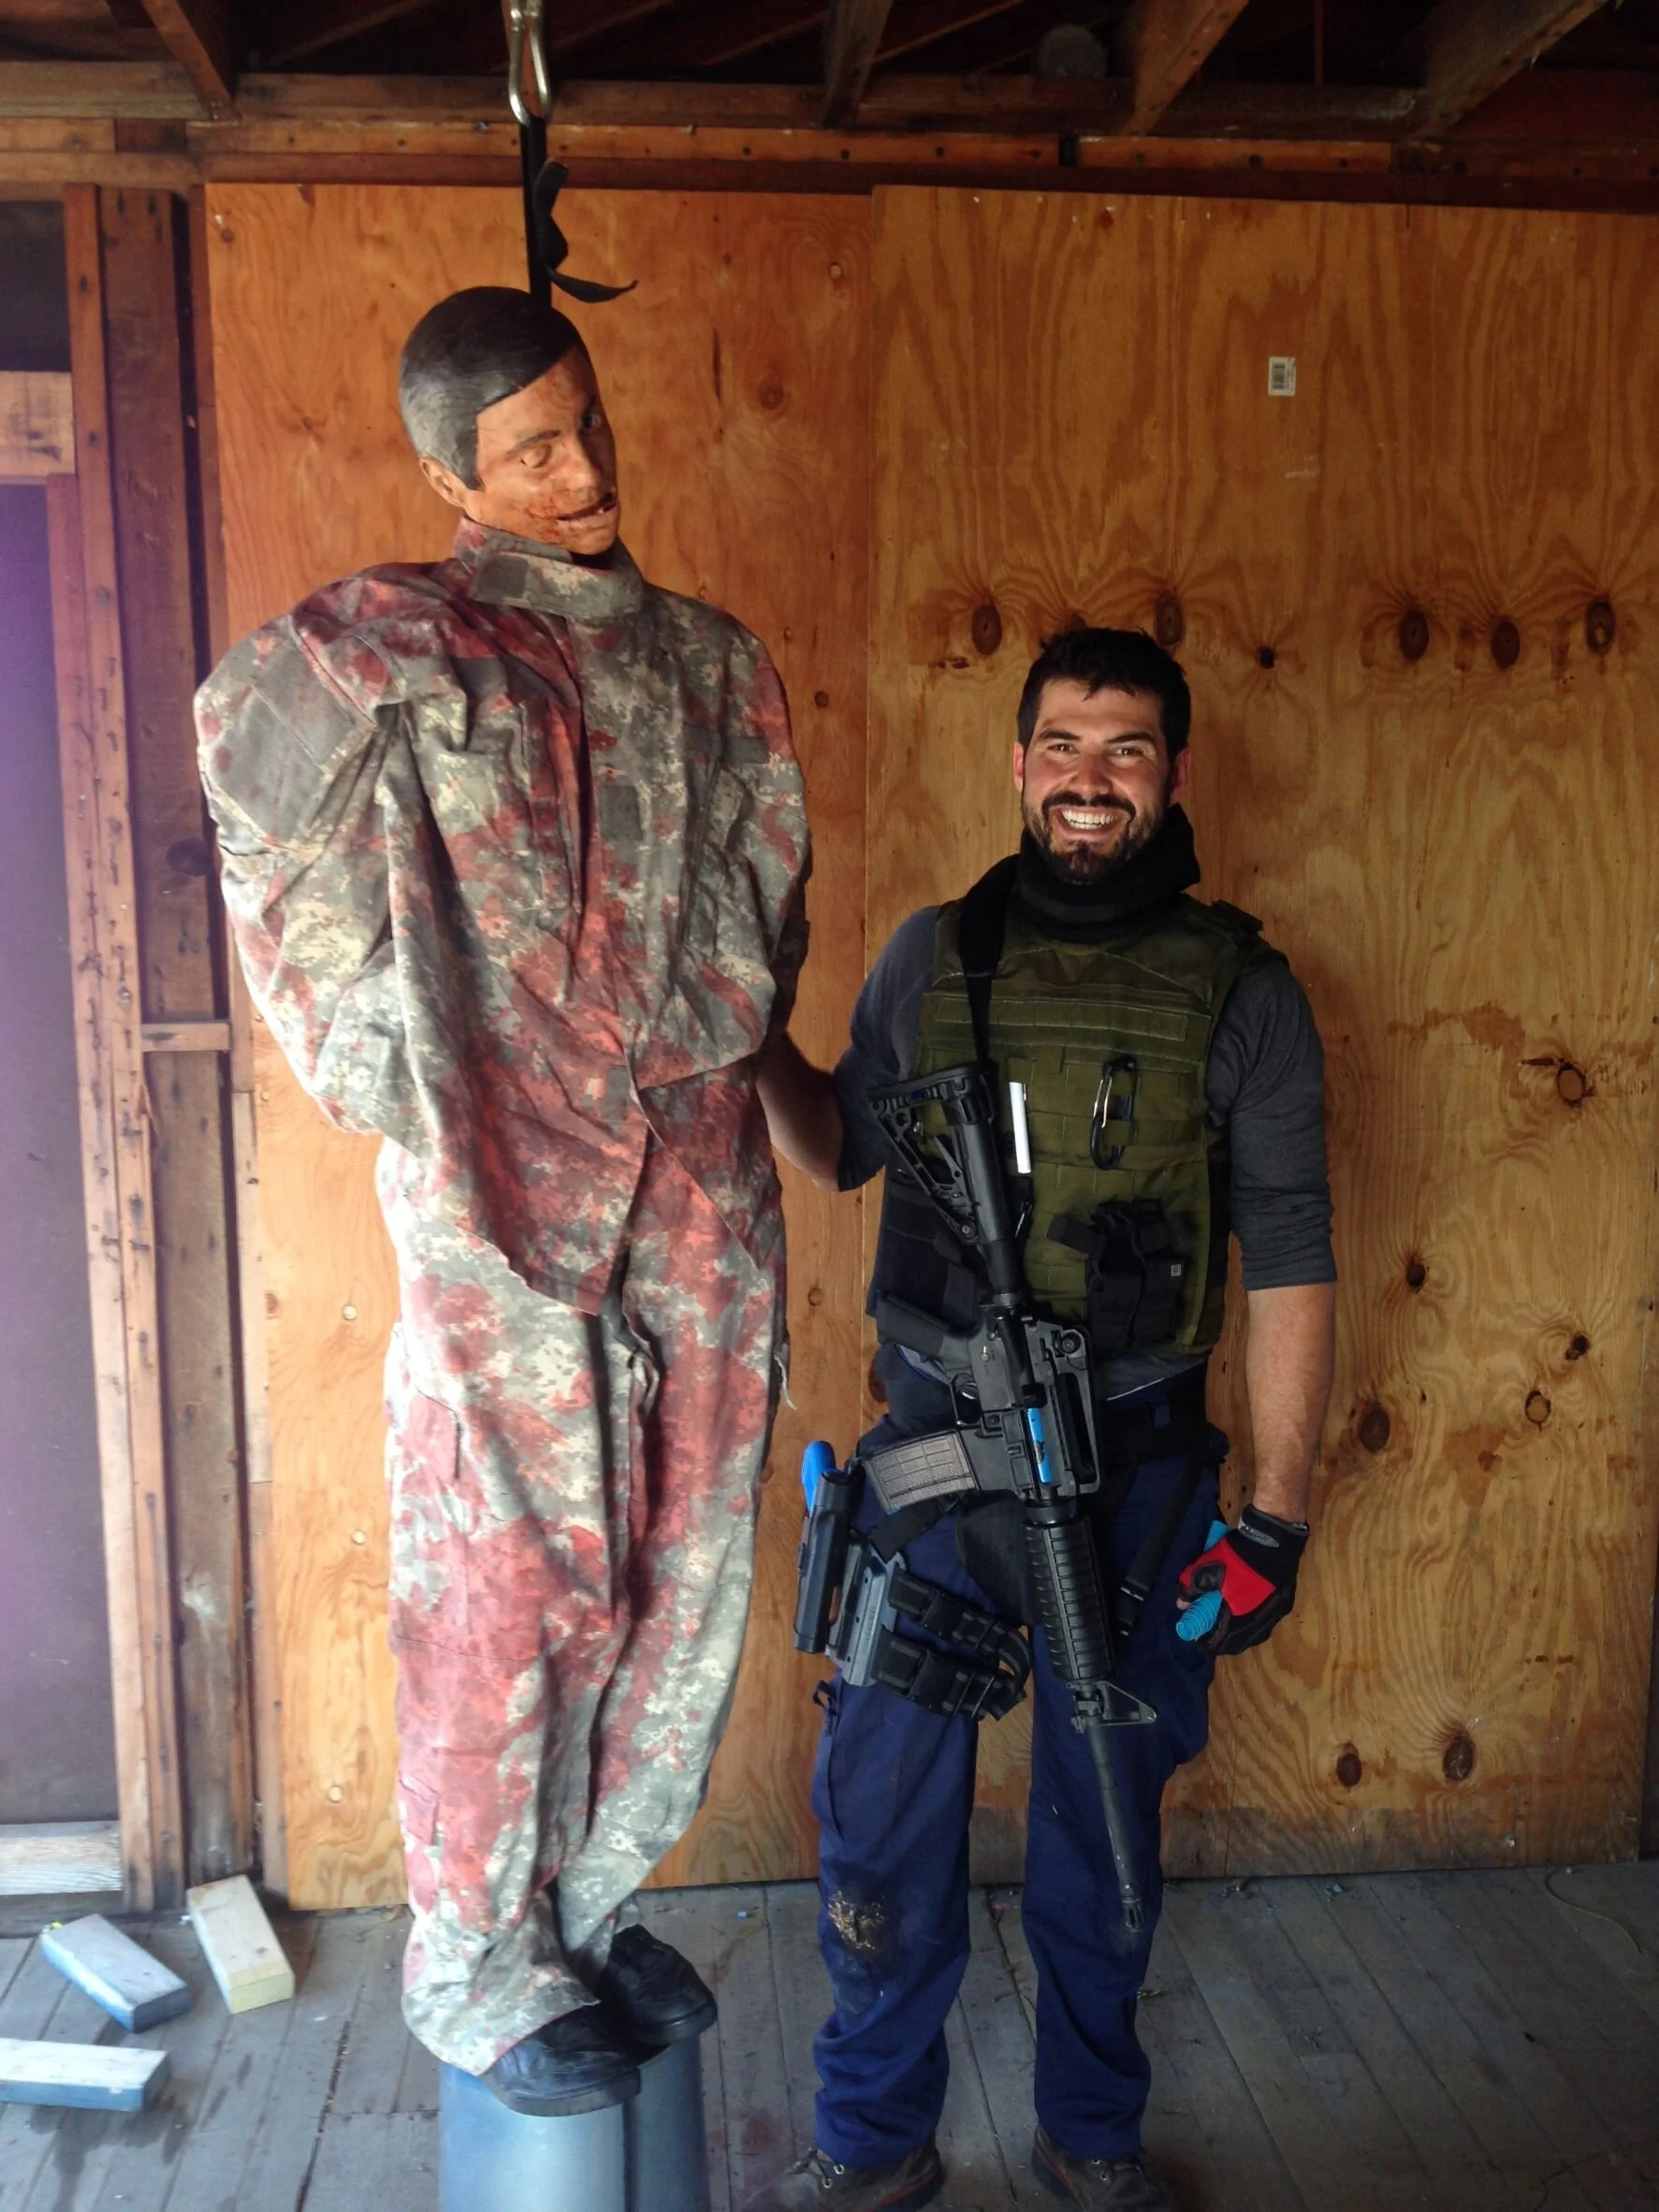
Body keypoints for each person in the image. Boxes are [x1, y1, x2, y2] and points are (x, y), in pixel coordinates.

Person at [196, 284, 809, 2116]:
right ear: (452, 468)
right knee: (506, 1584)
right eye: (534, 446)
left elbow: (769, 888)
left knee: (687, 1562)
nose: (581, 468)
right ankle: (478, 1967)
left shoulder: (716, 660)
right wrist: (395, 1054)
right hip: (499, 1191)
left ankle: (596, 1902)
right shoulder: (401, 638)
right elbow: (255, 801)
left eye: (591, 423)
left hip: (697, 1183)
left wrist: (707, 1027)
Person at [749, 628, 1334, 2212]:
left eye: (1127, 749)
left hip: (1136, 1479)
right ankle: (873, 2147)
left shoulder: (1247, 996)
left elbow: (1288, 1259)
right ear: (1018, 767)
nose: (1091, 779)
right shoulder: (935, 957)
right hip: (937, 1467)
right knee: (880, 1828)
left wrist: (1273, 1518)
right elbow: (838, 1150)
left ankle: (1090, 2137)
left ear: (1174, 775)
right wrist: (748, 1039)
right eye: (1064, 747)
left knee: (1104, 1852)